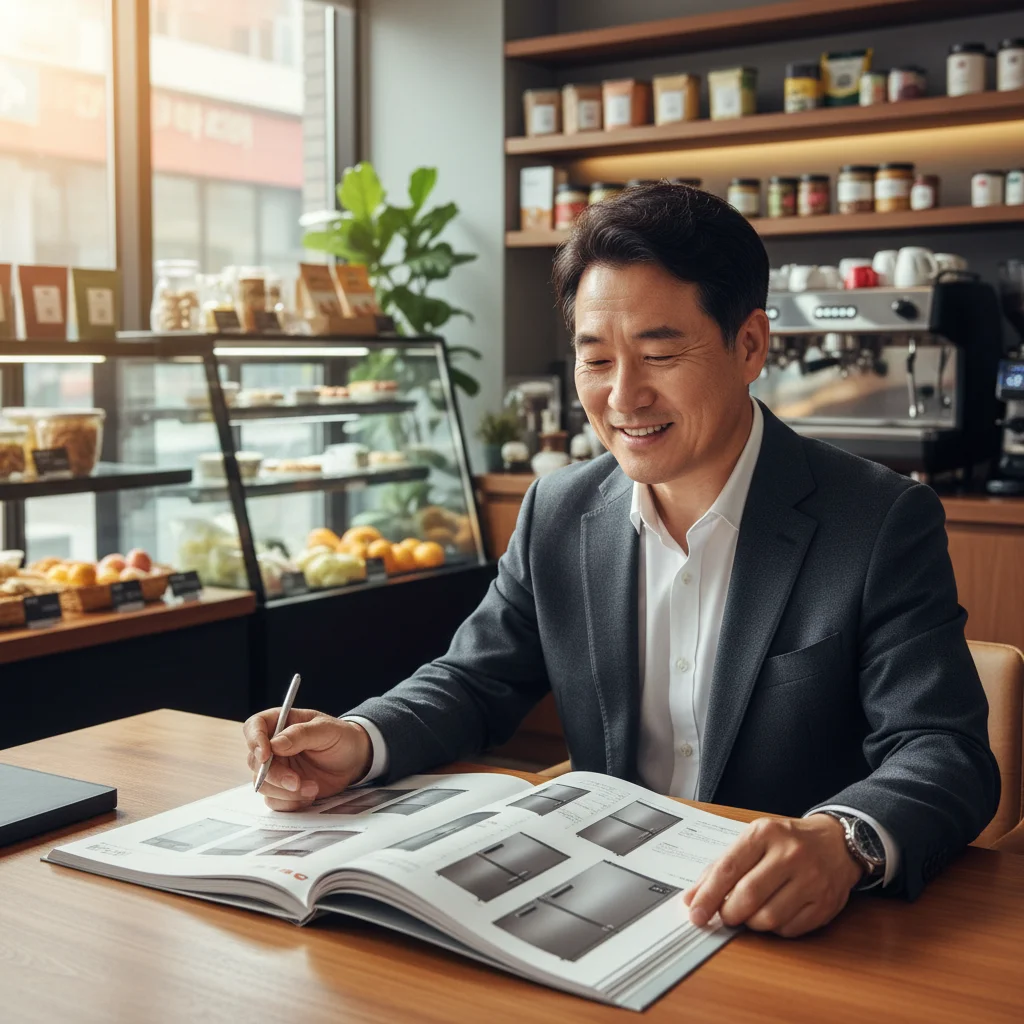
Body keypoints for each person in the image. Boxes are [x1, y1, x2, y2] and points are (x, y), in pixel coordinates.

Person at [244, 182, 999, 938]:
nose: (623, 396)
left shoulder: (876, 521)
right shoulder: (560, 511)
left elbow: (946, 751)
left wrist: (847, 839)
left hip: (781, 924)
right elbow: (474, 680)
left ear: (751, 346)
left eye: (660, 353)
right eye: (596, 360)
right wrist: (362, 740)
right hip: (599, 904)